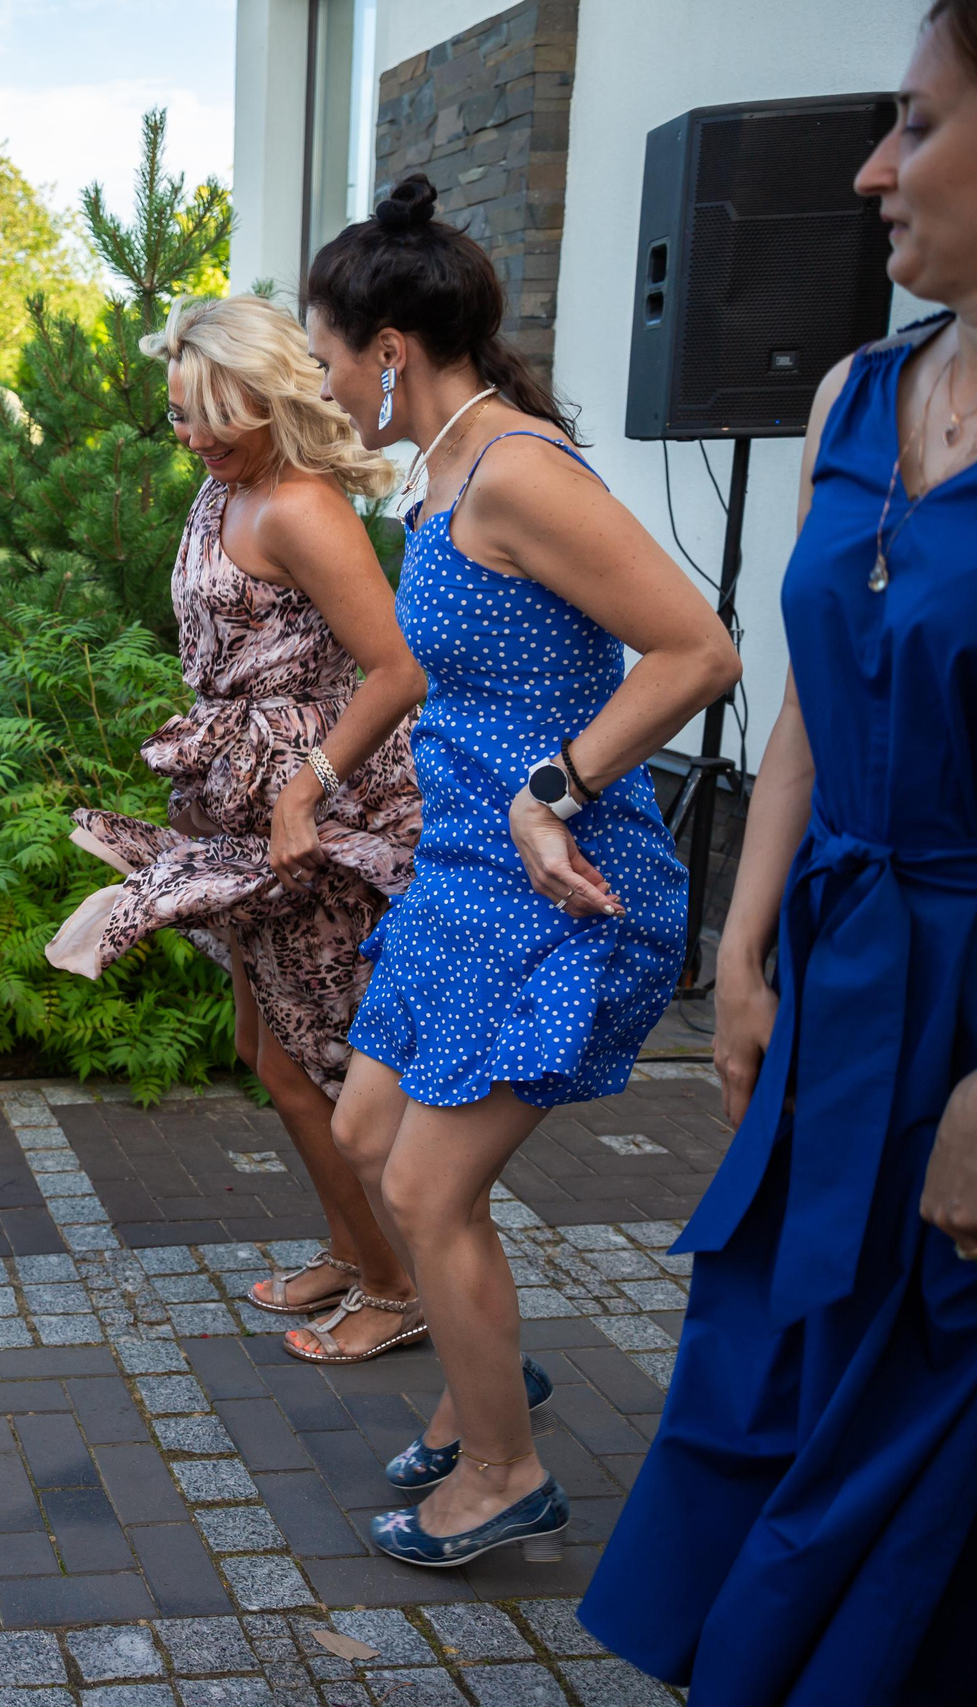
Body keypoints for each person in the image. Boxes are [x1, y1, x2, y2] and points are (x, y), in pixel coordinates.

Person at [582, 6, 977, 1694]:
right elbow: (809, 694)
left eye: (920, 123)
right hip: (835, 950)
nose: (872, 170)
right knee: (771, 1344)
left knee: (928, 1388)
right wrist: (742, 951)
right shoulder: (857, 390)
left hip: (968, 991)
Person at [303, 175, 741, 1566]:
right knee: (371, 1138)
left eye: (324, 357)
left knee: (430, 1188)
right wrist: (319, 771)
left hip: (567, 888)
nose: (320, 384)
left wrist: (558, 788)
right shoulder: (443, 466)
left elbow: (699, 650)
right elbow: (442, 656)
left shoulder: (521, 472)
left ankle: (502, 1467)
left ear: (388, 348)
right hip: (466, 877)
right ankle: (484, 1370)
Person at [47, 293, 425, 1362]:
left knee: (315, 1060)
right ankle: (355, 1255)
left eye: (221, 413)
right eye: (179, 415)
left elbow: (398, 669)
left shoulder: (301, 506)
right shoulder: (223, 493)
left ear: (275, 398)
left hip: (318, 805)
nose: (198, 436)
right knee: (266, 1051)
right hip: (244, 798)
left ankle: (401, 1287)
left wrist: (304, 785)